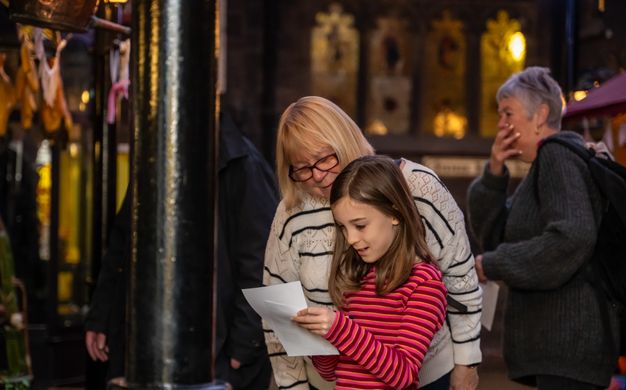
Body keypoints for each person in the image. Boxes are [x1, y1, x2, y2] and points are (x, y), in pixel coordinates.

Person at [264, 96, 482, 390]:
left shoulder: (419, 189)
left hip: (428, 374)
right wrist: (315, 341)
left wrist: (467, 363)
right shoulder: (354, 282)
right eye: (301, 168)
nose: (317, 175)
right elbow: (280, 309)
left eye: (325, 158)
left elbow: (461, 277)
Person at [85, 113, 278, 389]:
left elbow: (261, 264)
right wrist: (101, 315)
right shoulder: (155, 156)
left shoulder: (244, 166)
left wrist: (242, 349)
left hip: (218, 355)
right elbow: (123, 239)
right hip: (145, 342)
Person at [467, 66, 620, 389]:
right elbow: (495, 235)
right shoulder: (549, 164)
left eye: (508, 113)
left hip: (569, 345)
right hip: (561, 349)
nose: (501, 125)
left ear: (541, 115)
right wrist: (495, 169)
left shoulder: (556, 157)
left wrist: (494, 264)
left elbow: (572, 237)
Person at [291, 155, 448, 389]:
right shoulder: (358, 279)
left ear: (395, 213)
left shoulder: (424, 285)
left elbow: (403, 375)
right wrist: (320, 340)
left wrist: (340, 329)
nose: (351, 239)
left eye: (360, 225)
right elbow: (329, 373)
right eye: (343, 227)